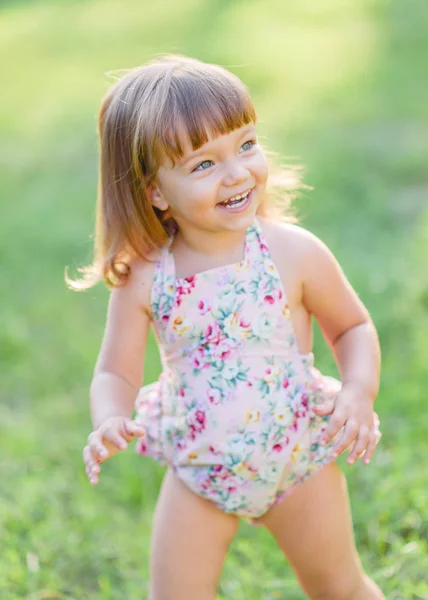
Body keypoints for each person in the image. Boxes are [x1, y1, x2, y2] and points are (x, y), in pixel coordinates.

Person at [68, 55, 384, 599]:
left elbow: (353, 326)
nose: (237, 173)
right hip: (200, 470)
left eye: (245, 145)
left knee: (341, 589)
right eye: (203, 164)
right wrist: (108, 419)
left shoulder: (292, 252)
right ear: (155, 192)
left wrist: (358, 391)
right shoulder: (146, 277)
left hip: (294, 458)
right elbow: (115, 372)